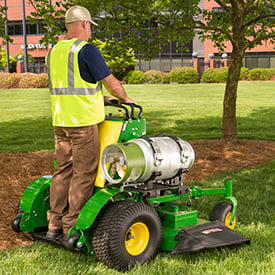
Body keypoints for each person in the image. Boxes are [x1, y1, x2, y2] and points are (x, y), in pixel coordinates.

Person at [45, 5, 136, 241]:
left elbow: (69, 85)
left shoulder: (54, 51)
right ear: (85, 24)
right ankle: (72, 227)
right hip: (83, 123)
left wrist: (100, 98)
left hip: (61, 121)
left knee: (62, 171)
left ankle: (53, 223)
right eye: (90, 27)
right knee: (83, 173)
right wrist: (124, 98)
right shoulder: (85, 50)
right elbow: (109, 80)